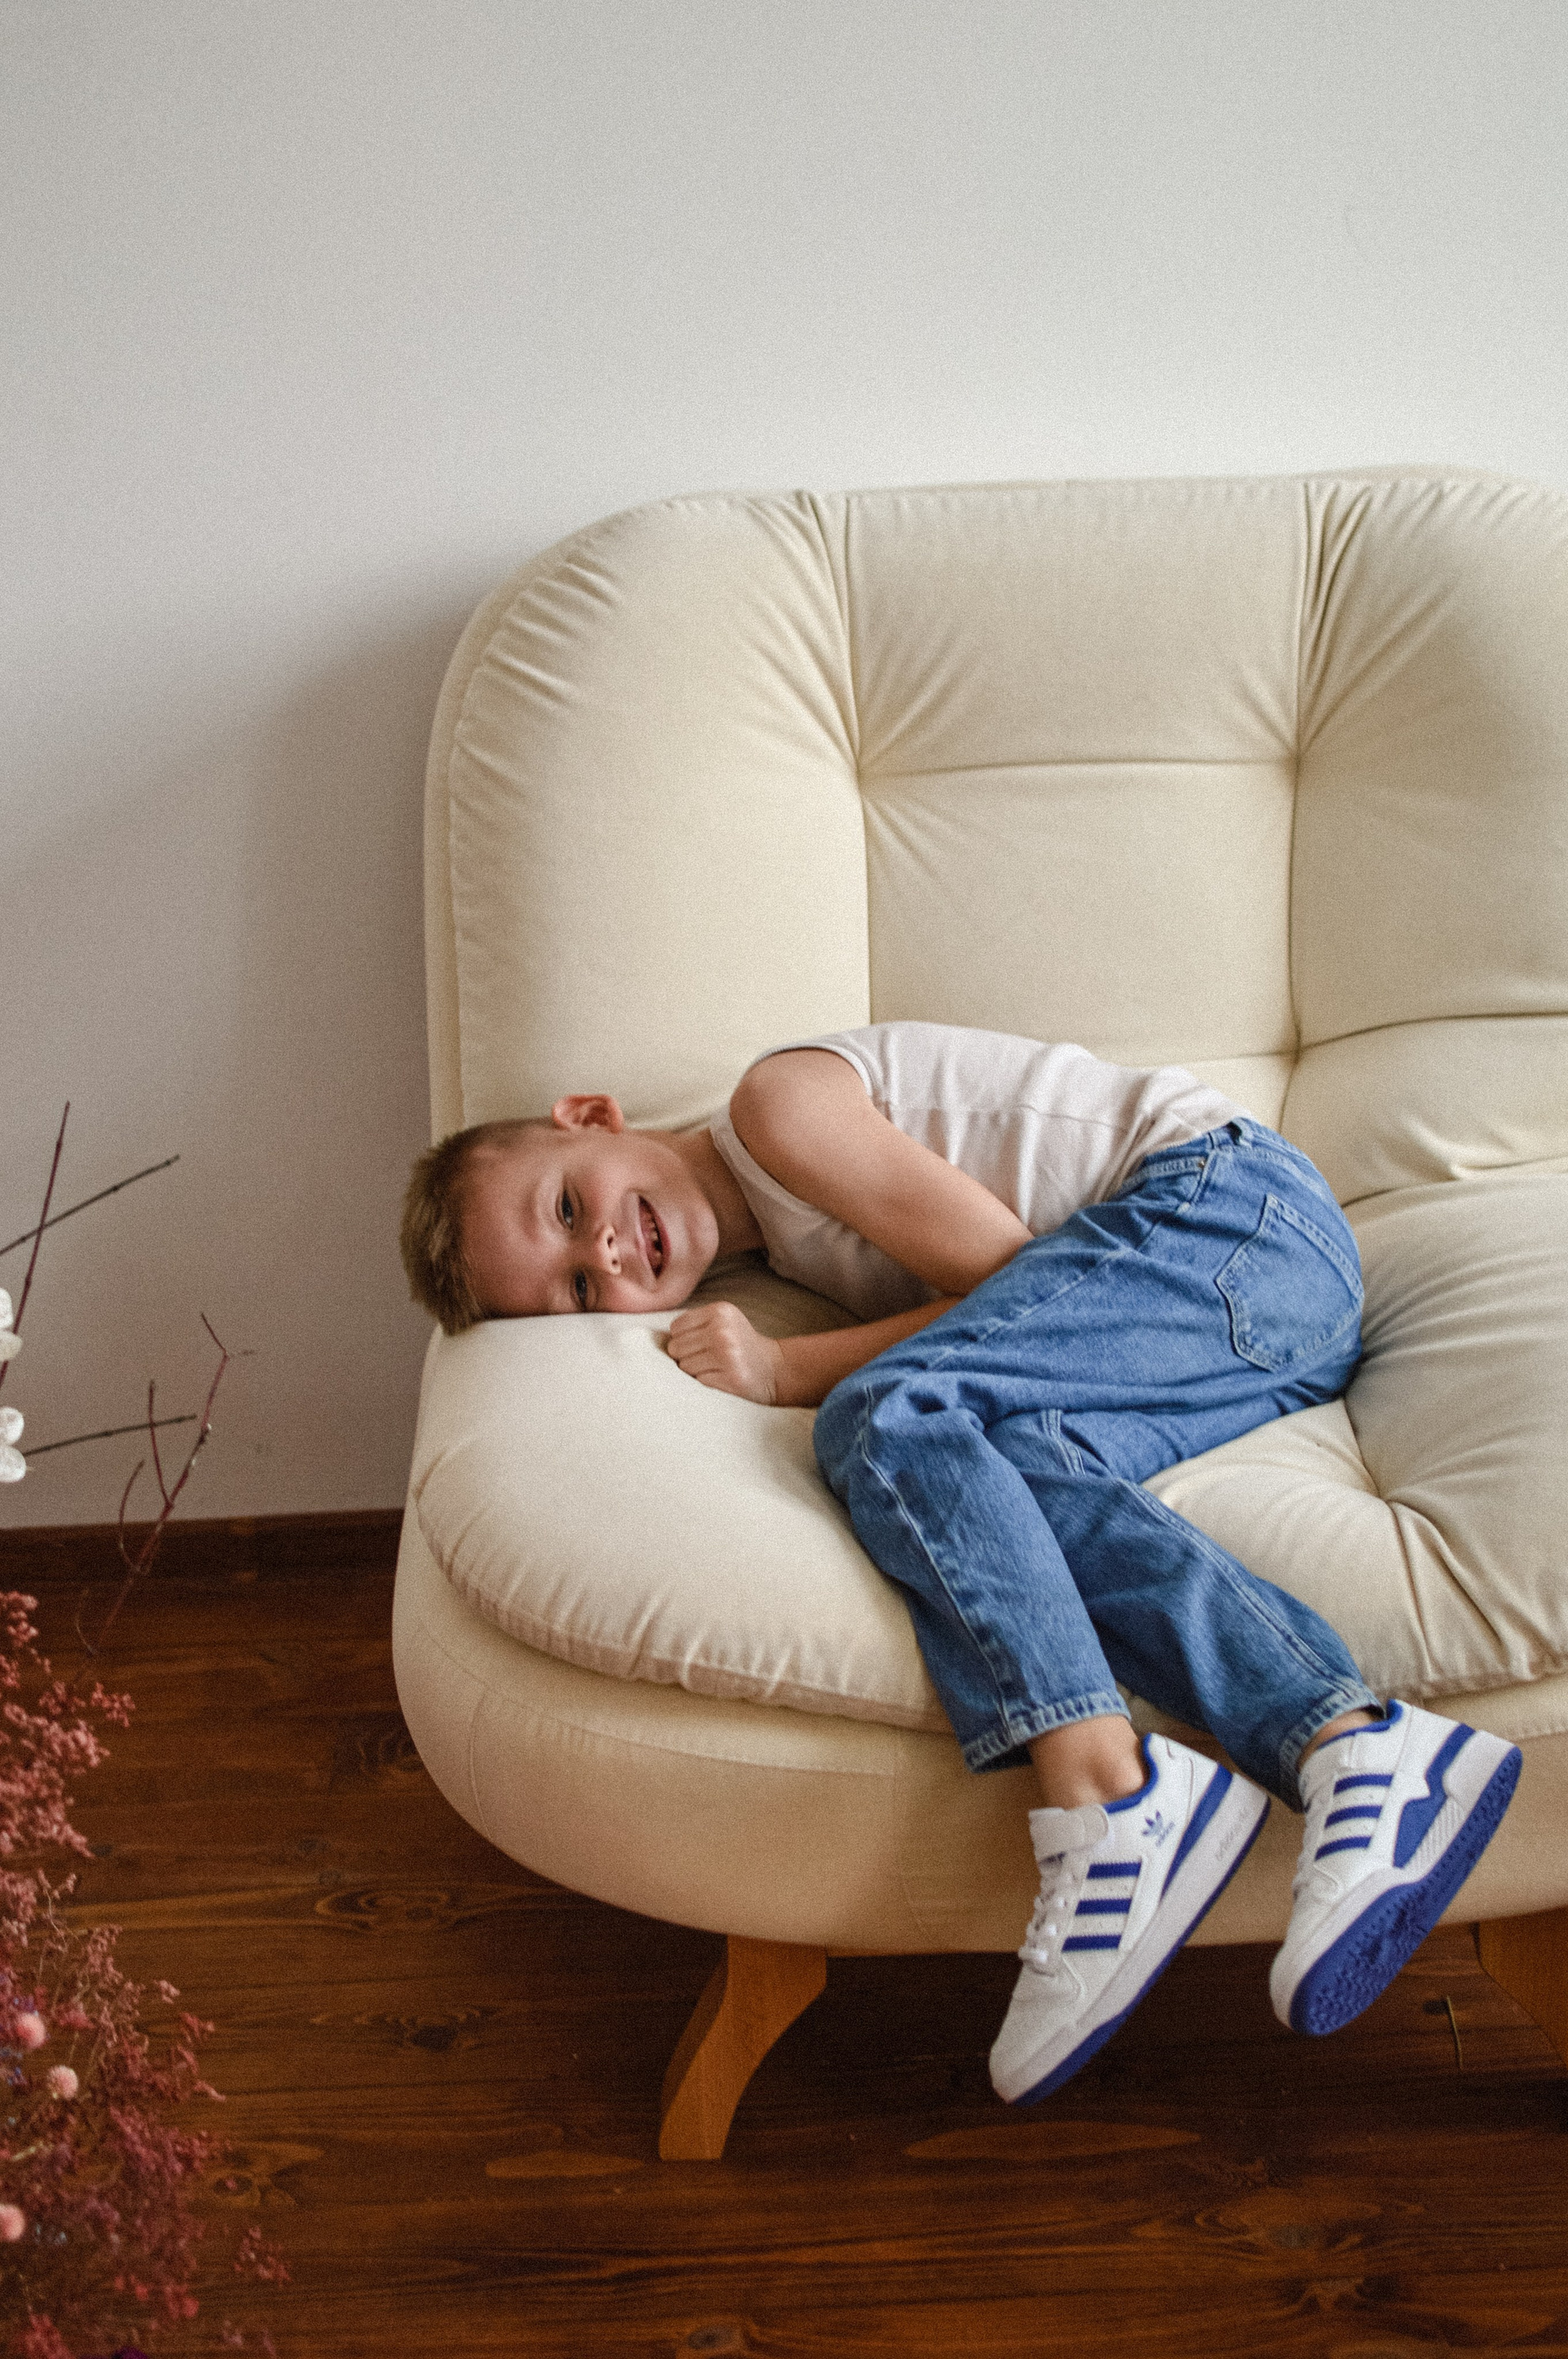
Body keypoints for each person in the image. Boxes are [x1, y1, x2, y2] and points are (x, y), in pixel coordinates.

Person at [400, 1022, 1521, 2106]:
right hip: (1248, 1329)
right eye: (580, 1291)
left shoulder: (776, 1109)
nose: (602, 1253)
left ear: (591, 1117)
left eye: (567, 1206)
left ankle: (1110, 1798)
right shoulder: (785, 1252)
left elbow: (1009, 1278)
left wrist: (789, 1372)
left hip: (1233, 1225)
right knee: (1016, 1480)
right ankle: (1354, 1747)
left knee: (885, 1416)